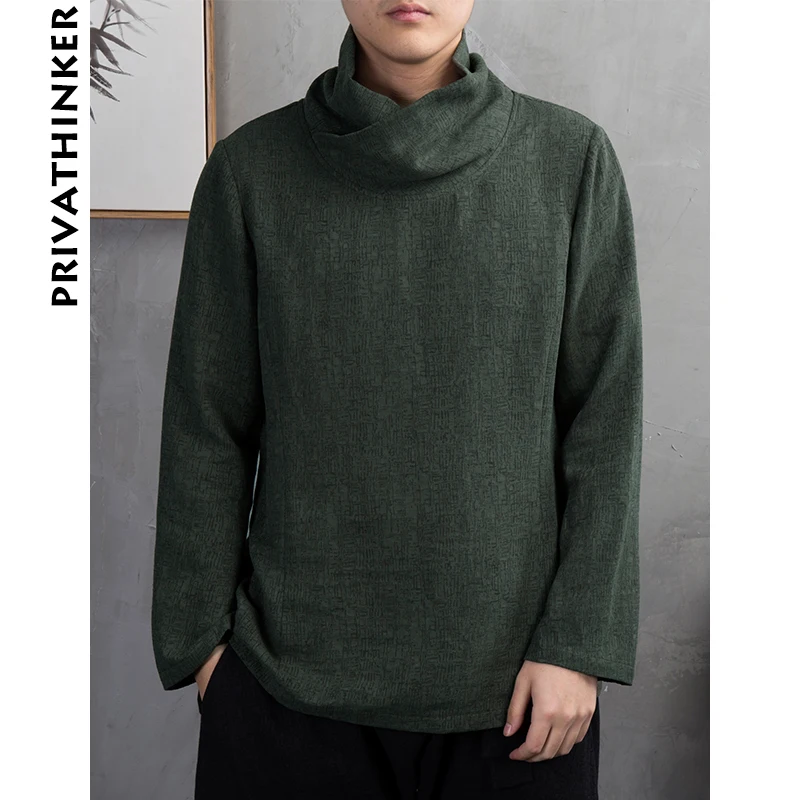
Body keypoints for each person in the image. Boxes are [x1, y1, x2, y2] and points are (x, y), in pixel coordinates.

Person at [150, 1, 644, 798]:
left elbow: (605, 424)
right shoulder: (250, 172)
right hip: (283, 696)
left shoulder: (571, 160)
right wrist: (206, 650)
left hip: (522, 699)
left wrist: (579, 644)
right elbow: (207, 425)